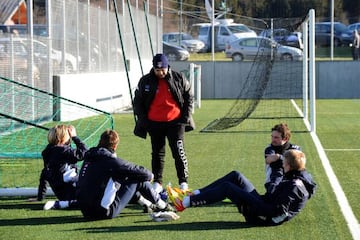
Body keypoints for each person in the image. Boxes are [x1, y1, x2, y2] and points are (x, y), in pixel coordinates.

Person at [167, 149, 316, 226]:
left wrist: (256, 211)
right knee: (236, 175)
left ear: (289, 166)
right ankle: (192, 194)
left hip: (264, 215)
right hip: (266, 203)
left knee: (228, 188)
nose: (282, 165)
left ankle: (184, 203)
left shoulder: (294, 186)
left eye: (284, 163)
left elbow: (278, 212)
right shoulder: (297, 174)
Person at [76, 129, 174, 220]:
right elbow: (144, 173)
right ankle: (163, 206)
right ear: (115, 146)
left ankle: (148, 205)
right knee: (137, 179)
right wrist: (151, 176)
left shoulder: (89, 158)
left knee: (123, 178)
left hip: (85, 211)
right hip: (103, 212)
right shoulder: (110, 161)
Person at [133, 53, 195, 193]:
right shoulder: (145, 81)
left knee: (179, 152)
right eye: (157, 70)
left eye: (163, 69)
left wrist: (185, 118)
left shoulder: (178, 78)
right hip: (154, 124)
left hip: (176, 122)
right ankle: (158, 183)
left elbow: (189, 97)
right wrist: (144, 121)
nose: (160, 72)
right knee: (157, 154)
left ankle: (183, 182)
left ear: (168, 67)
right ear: (153, 68)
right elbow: (137, 102)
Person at [41, 125, 88, 210]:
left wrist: (40, 196)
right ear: (63, 138)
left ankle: (62, 203)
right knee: (92, 199)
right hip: (72, 190)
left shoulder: (47, 152)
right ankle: (58, 204)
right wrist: (74, 137)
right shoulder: (64, 151)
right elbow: (84, 152)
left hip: (61, 193)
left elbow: (44, 174)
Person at [264, 123, 300, 195]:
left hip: (291, 182)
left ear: (285, 139)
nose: (273, 140)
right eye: (272, 136)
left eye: (276, 137)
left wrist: (278, 157)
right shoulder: (269, 148)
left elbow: (297, 164)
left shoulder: (295, 148)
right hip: (271, 182)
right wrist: (287, 160)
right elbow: (269, 160)